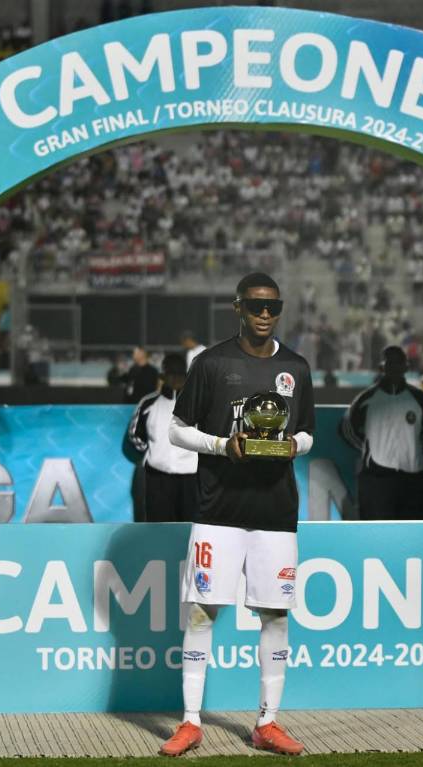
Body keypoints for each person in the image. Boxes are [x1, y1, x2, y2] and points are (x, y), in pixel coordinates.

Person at [159, 272, 315, 757]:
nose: (265, 315)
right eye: (256, 307)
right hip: (218, 510)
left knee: (275, 614)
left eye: (273, 307)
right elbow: (177, 430)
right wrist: (224, 445)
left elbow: (308, 433)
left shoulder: (296, 368)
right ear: (238, 308)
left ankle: (267, 723)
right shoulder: (211, 363)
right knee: (202, 613)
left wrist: (293, 445)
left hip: (274, 512)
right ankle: (189, 722)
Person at [341, 346, 423, 520]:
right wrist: (368, 449)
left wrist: (415, 448)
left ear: (406, 367)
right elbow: (346, 429)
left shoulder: (420, 399)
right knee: (377, 537)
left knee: (413, 538)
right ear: (382, 367)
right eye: (390, 363)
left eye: (399, 363)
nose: (395, 367)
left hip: (413, 477)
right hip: (376, 479)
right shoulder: (366, 399)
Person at [127, 352, 197, 522]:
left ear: (186, 376)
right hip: (157, 478)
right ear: (163, 377)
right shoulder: (149, 403)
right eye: (171, 375)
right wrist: (154, 453)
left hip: (191, 479)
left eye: (179, 375)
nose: (175, 379)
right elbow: (135, 435)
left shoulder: (198, 403)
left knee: (189, 529)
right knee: (158, 527)